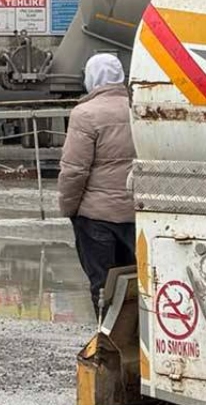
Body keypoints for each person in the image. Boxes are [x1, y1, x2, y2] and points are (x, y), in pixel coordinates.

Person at [59, 53, 136, 317]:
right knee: (136, 283)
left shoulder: (85, 114)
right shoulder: (138, 108)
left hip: (95, 217)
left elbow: (74, 170)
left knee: (103, 286)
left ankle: (106, 343)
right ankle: (135, 344)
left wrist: (69, 208)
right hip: (136, 212)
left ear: (91, 78)